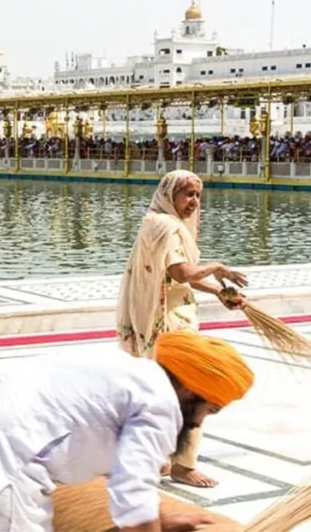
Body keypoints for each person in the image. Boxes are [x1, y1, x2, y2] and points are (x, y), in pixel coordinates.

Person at [0, 332, 254, 532]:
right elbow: (132, 499)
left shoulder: (126, 369)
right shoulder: (159, 404)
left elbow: (126, 474)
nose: (200, 422)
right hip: (2, 464)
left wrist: (158, 514)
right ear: (189, 390)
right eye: (208, 409)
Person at [116, 169, 248, 488]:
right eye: (188, 194)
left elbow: (176, 276)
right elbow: (182, 272)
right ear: (169, 194)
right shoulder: (166, 227)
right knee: (193, 390)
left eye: (198, 195)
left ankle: (160, 457)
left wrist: (218, 292)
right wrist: (217, 268)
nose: (194, 201)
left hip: (165, 317)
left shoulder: (156, 222)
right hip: (170, 322)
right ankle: (183, 465)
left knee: (162, 391)